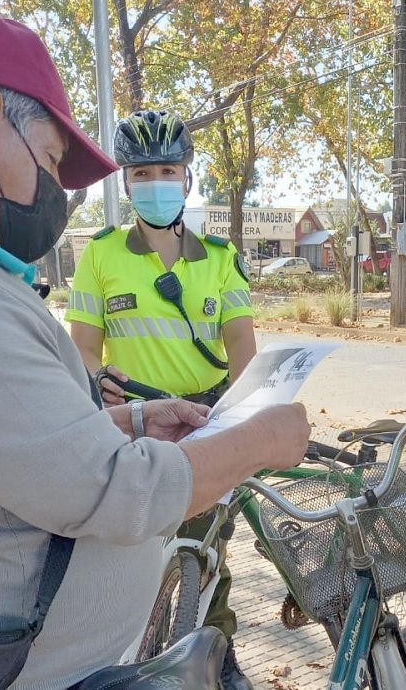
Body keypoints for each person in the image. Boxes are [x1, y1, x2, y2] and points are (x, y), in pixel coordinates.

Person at [0, 3, 311, 690]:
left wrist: (130, 423)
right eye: (51, 159)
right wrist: (262, 440)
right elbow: (119, 494)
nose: (56, 192)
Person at [66, 109, 257, 690]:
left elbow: (244, 357)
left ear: (188, 178)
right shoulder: (100, 255)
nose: (155, 183)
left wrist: (250, 427)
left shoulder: (221, 259)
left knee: (203, 556)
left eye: (167, 170)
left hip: (204, 424)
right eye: (142, 173)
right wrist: (103, 383)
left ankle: (216, 659)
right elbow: (83, 352)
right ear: (125, 183)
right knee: (134, 558)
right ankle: (134, 664)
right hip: (136, 429)